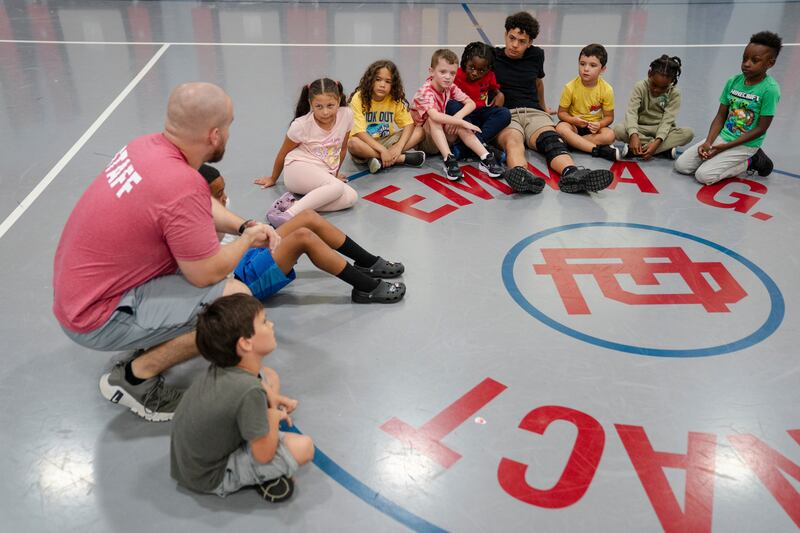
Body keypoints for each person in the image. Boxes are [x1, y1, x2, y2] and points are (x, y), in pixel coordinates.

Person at [52, 82, 281, 422]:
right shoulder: (180, 183)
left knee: (202, 254)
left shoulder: (144, 147)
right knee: (236, 305)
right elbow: (204, 273)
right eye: (230, 125)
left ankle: (148, 334)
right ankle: (134, 379)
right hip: (94, 317)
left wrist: (244, 227)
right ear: (214, 135)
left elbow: (199, 202)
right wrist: (247, 242)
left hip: (78, 293)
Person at [171, 293, 314, 502]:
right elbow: (263, 455)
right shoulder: (248, 391)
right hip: (210, 475)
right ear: (246, 344)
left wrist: (271, 395)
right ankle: (262, 477)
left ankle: (256, 434)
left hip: (191, 461)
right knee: (303, 447)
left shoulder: (225, 366)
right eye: (264, 322)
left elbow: (258, 383)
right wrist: (272, 417)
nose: (272, 325)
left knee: (270, 376)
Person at [200, 165, 406, 304]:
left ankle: (367, 262)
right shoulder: (192, 227)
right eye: (218, 194)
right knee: (303, 237)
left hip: (245, 255)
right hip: (238, 283)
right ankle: (367, 288)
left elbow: (233, 233)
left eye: (223, 190)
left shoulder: (221, 204)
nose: (225, 197)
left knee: (308, 216)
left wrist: (250, 230)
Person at [492, 12, 614, 194]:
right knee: (513, 142)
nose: (515, 45)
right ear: (505, 35)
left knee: (551, 141)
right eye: (512, 38)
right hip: (506, 114)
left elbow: (538, 83)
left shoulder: (536, 55)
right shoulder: (492, 56)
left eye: (522, 41)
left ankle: (573, 174)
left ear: (530, 43)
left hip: (534, 112)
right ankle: (522, 175)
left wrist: (543, 107)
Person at [674, 31, 781, 184]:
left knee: (704, 176)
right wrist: (709, 142)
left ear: (770, 63)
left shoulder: (770, 89)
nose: (746, 63)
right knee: (681, 166)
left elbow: (761, 128)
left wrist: (724, 148)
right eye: (745, 58)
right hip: (724, 136)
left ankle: (753, 160)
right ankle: (720, 158)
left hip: (746, 144)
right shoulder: (733, 81)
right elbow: (720, 116)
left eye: (754, 60)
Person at [255, 78, 356, 227]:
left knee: (351, 197)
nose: (325, 111)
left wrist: (333, 175)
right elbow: (283, 153)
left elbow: (342, 148)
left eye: (330, 105)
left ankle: (293, 205)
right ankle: (287, 216)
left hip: (320, 172)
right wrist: (273, 178)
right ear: (310, 104)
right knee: (337, 188)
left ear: (339, 100)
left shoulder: (347, 115)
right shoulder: (301, 125)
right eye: (319, 106)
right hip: (298, 168)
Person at [410, 48, 504, 181]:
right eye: (443, 72)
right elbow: (435, 116)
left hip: (441, 137)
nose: (448, 77)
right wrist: (461, 121)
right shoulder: (426, 91)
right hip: (424, 140)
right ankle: (449, 160)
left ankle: (485, 157)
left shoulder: (449, 86)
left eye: (452, 73)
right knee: (434, 119)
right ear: (431, 71)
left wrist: (457, 118)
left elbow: (470, 103)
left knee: (458, 121)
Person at [347, 60, 426, 174]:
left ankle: (376, 159)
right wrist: (383, 151)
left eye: (388, 81)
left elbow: (409, 124)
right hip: (366, 143)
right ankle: (398, 159)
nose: (382, 85)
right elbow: (359, 132)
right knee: (353, 143)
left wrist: (399, 146)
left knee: (420, 131)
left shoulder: (394, 98)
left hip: (387, 140)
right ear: (370, 80)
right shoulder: (359, 98)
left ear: (393, 84)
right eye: (378, 79)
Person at [613, 55, 694, 161]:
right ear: (649, 74)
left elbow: (667, 121)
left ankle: (635, 150)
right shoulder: (640, 87)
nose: (657, 90)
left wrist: (657, 142)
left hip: (660, 129)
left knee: (688, 133)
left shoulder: (675, 93)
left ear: (672, 82)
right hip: (640, 127)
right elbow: (631, 113)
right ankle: (664, 150)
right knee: (618, 130)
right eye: (654, 84)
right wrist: (633, 135)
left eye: (663, 88)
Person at [445, 41, 511, 161]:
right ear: (465, 62)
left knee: (504, 113)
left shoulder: (490, 75)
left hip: (480, 113)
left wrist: (499, 94)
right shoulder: (457, 74)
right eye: (472, 67)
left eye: (481, 70)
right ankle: (478, 146)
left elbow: (494, 89)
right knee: (452, 105)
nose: (475, 73)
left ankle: (468, 147)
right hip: (463, 115)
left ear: (488, 69)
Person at [555, 43, 620, 162]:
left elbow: (609, 117)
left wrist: (599, 125)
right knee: (561, 128)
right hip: (574, 125)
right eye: (582, 64)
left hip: (593, 128)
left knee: (610, 135)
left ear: (603, 69)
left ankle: (573, 143)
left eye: (593, 65)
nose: (586, 69)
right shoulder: (570, 87)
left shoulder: (607, 90)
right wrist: (573, 120)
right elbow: (561, 113)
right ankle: (593, 148)